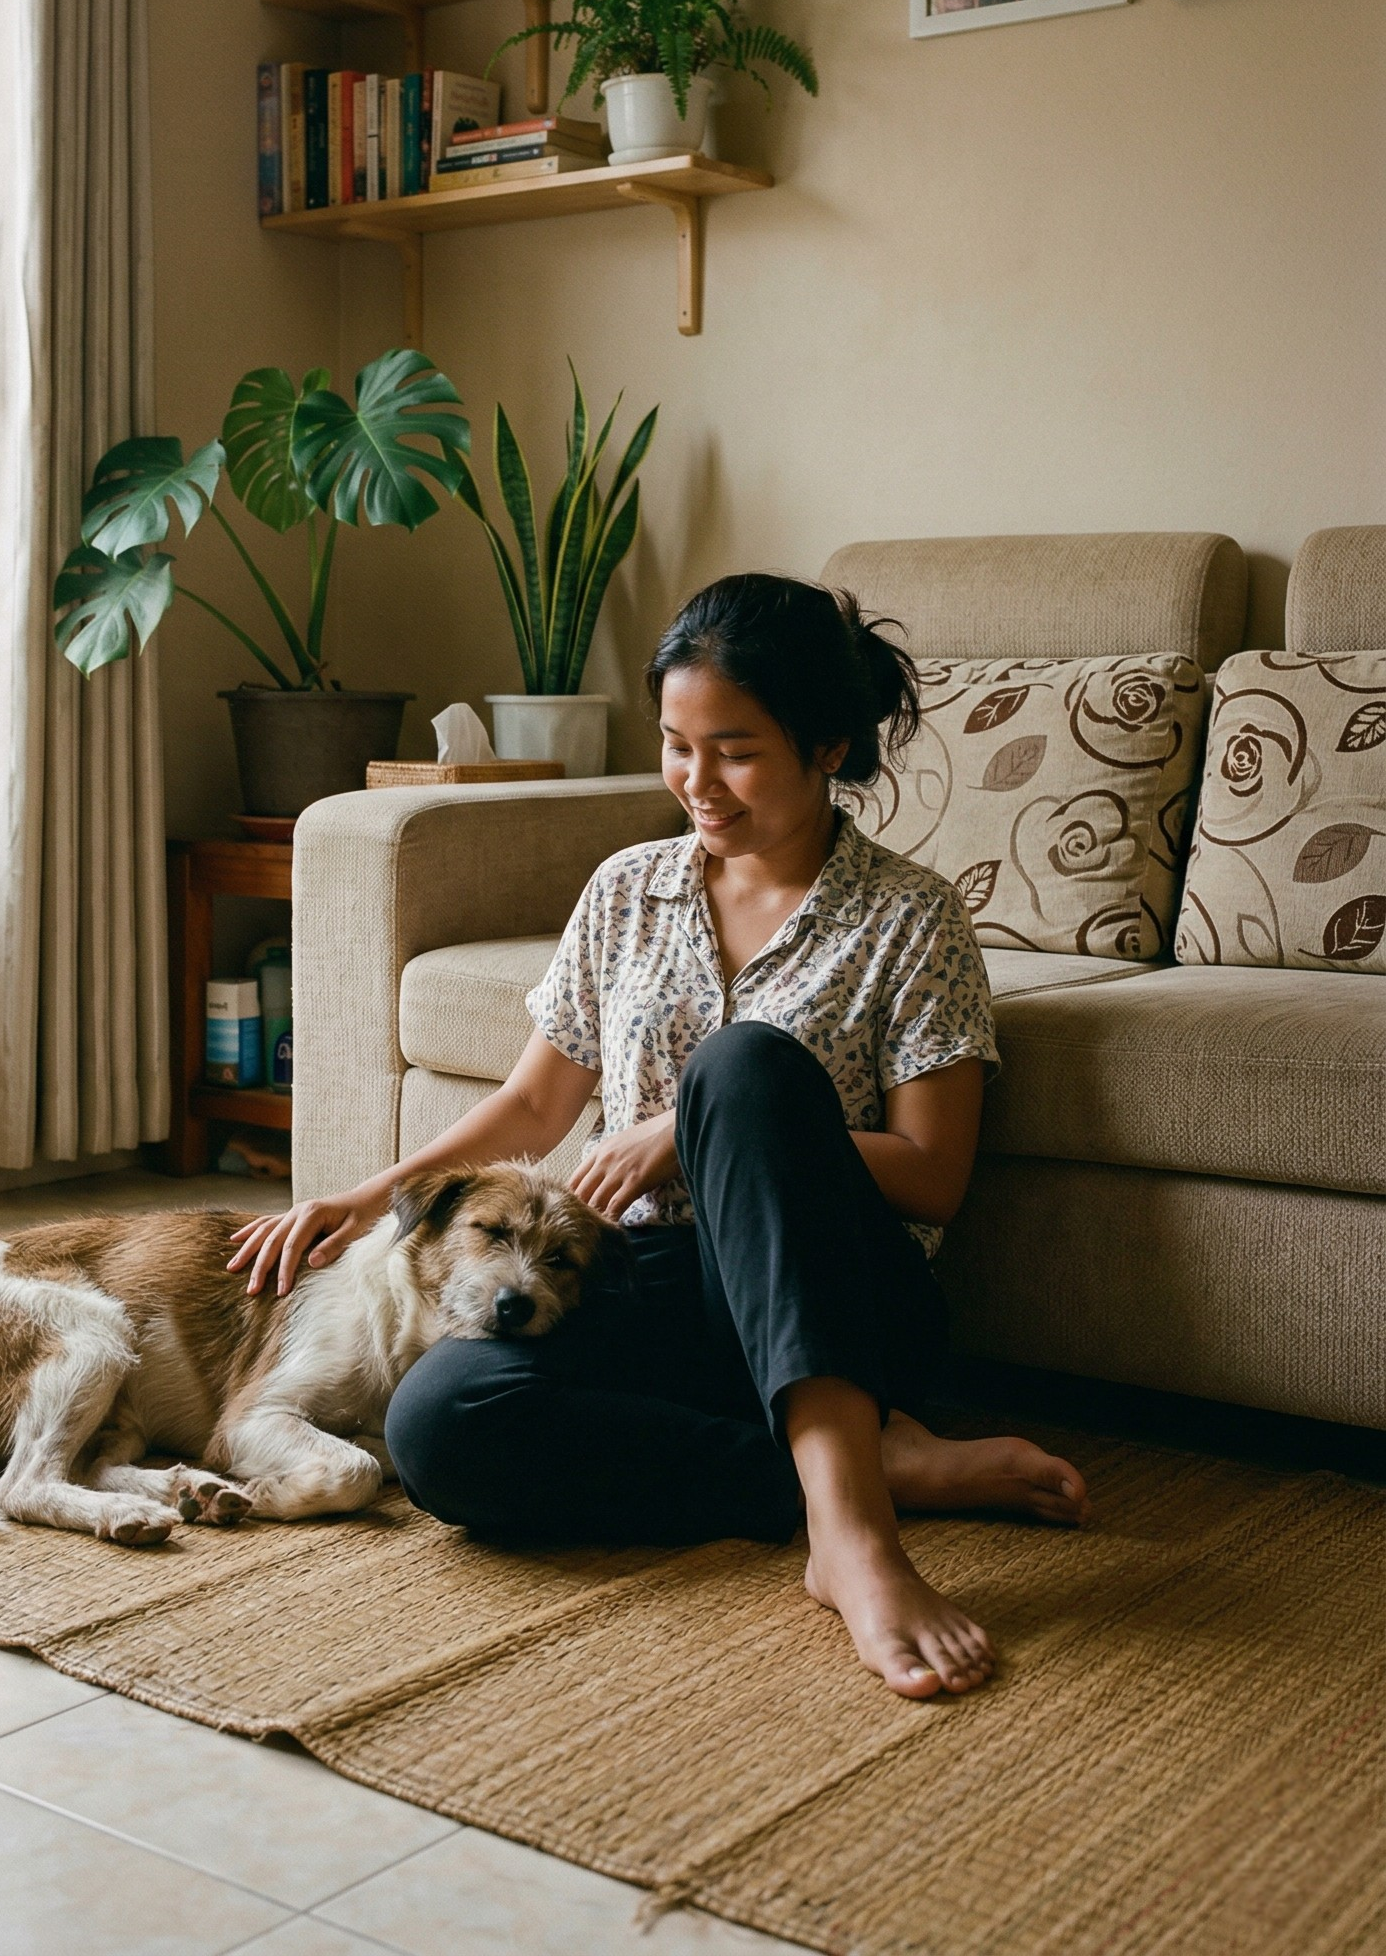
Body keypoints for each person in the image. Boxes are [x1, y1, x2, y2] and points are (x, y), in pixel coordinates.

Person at [231, 575, 1090, 1704]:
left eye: (732, 750)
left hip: (841, 1297)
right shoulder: (627, 889)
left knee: (736, 1066)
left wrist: (688, 1130)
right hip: (647, 1282)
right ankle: (869, 1464)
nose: (695, 782)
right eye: (676, 746)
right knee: (436, 1426)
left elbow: (931, 1178)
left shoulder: (910, 918)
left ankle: (854, 1543)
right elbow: (536, 1108)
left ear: (825, 744)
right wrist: (368, 1195)